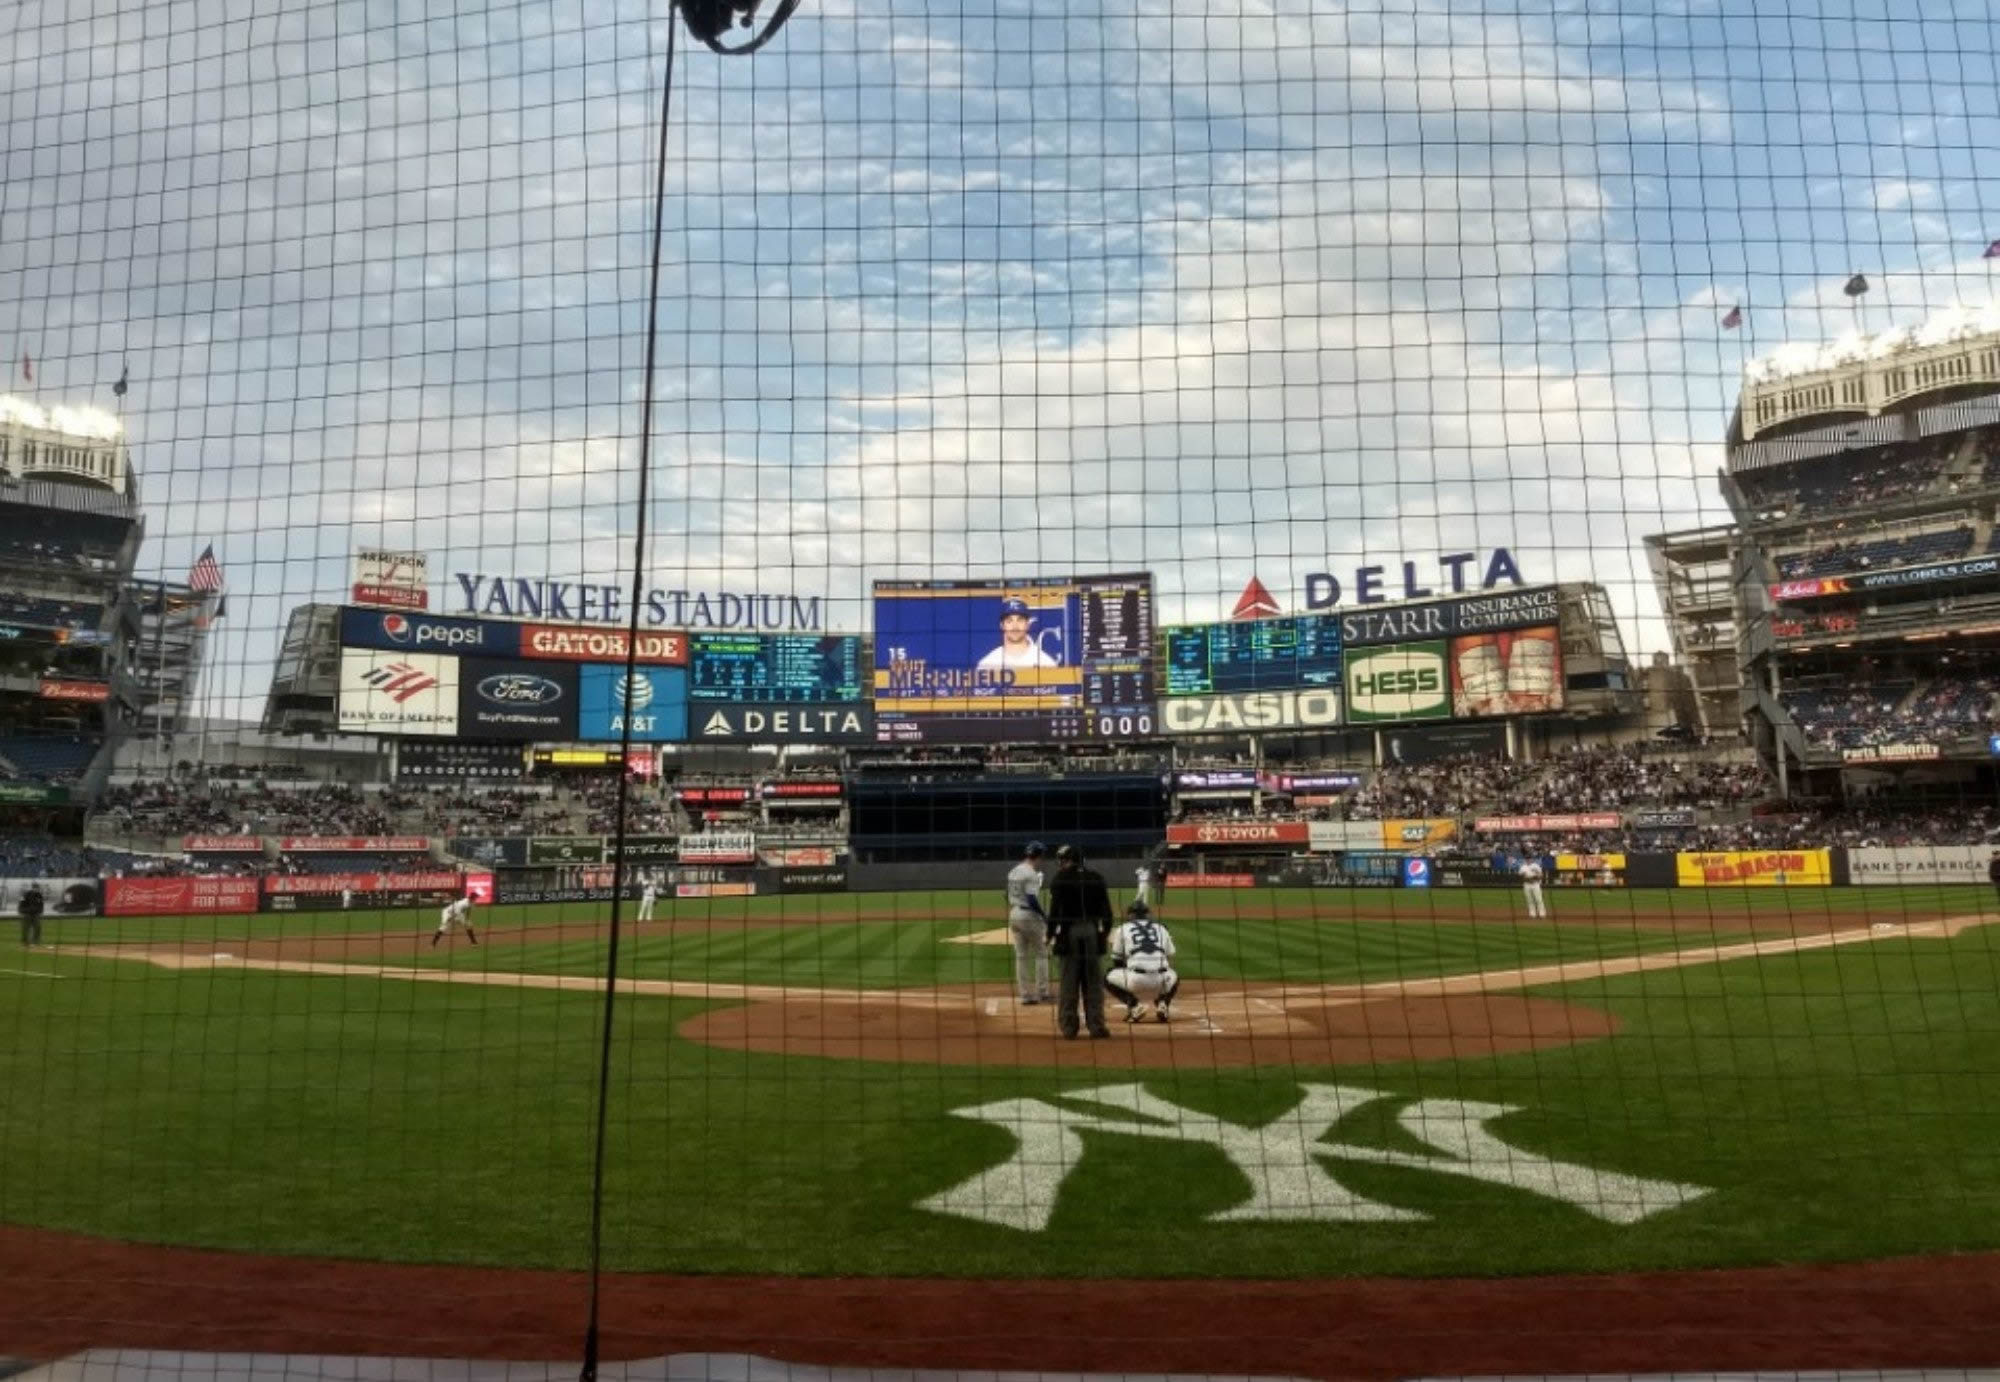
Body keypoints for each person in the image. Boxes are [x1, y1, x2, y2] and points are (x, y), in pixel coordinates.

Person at [1046, 844, 1113, 1039]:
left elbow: (1054, 913)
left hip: (1070, 933)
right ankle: (1097, 1026)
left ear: (1067, 860)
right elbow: (1107, 913)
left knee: (1069, 981)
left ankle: (1069, 1028)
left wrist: (1050, 935)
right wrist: (1103, 934)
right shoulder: (1096, 878)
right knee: (1093, 982)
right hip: (1091, 931)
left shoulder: (1060, 879)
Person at [1105, 900, 1179, 1023]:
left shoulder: (1122, 929)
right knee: (1174, 975)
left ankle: (1134, 1007)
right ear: (1147, 914)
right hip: (1162, 980)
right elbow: (1170, 955)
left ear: (1130, 915)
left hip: (1136, 981)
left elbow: (1117, 961)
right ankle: (1163, 1004)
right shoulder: (1161, 928)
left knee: (1107, 976)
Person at [1005, 841, 1051, 1005]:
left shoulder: (1014, 871)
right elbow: (1032, 899)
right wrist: (1043, 915)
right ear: (1038, 856)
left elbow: (1006, 894)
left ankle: (1024, 994)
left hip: (1014, 913)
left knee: (1021, 956)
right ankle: (1043, 992)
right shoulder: (1031, 874)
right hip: (1028, 915)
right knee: (1041, 953)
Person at [977, 597, 1060, 671]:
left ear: (1028, 624)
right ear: (1002, 625)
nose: (1015, 626)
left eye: (1020, 620)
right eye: (1009, 621)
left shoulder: (1045, 663)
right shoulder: (988, 664)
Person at [1519, 855, 1547, 919]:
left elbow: (1541, 875)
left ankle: (1542, 913)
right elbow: (1521, 876)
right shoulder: (1523, 867)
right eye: (1527, 859)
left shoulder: (1536, 866)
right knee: (1529, 900)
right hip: (1526, 885)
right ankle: (1532, 914)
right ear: (1525, 859)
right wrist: (1528, 878)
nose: (1528, 860)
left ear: (1532, 859)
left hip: (1536, 884)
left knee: (1539, 899)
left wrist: (1535, 878)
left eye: (1529, 858)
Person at [18, 884, 45, 949]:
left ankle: (36, 941)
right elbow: (21, 904)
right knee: (26, 927)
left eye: (37, 888)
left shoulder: (39, 895)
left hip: (35, 914)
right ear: (32, 888)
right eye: (35, 888)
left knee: (38, 927)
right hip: (27, 914)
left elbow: (41, 904)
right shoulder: (26, 894)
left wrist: (40, 911)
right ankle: (25, 941)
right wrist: (23, 911)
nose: (37, 889)